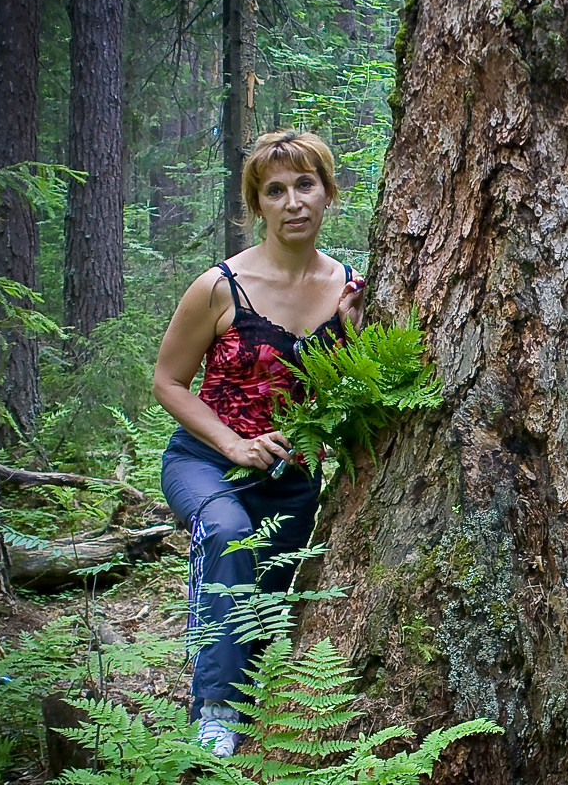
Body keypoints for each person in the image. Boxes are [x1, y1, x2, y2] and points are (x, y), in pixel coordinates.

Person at [152, 130, 364, 757]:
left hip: (292, 481)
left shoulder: (352, 291)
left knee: (269, 607)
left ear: (327, 195)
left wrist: (352, 342)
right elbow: (168, 380)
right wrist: (234, 444)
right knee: (225, 534)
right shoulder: (221, 286)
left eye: (305, 185)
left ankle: (256, 708)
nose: (293, 201)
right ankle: (213, 712)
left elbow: (348, 398)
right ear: (258, 206)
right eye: (275, 190)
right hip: (204, 463)